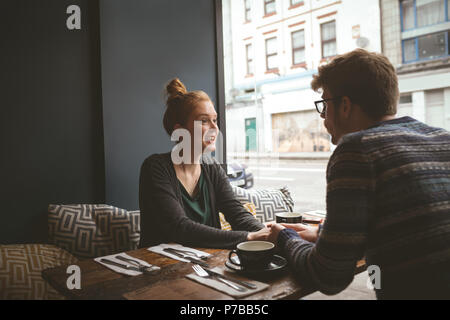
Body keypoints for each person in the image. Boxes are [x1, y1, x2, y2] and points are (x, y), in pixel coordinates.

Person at [268, 49, 450, 299]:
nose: (323, 118)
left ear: (344, 105)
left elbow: (329, 276)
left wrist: (285, 236)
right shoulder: (443, 139)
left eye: (324, 105)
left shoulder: (357, 150)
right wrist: (324, 236)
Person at [139, 78, 269, 249]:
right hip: (163, 267)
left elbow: (238, 215)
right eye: (204, 121)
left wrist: (271, 235)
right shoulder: (155, 167)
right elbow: (179, 228)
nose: (214, 127)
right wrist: (249, 237)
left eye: (215, 120)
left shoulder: (212, 168)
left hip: (209, 264)